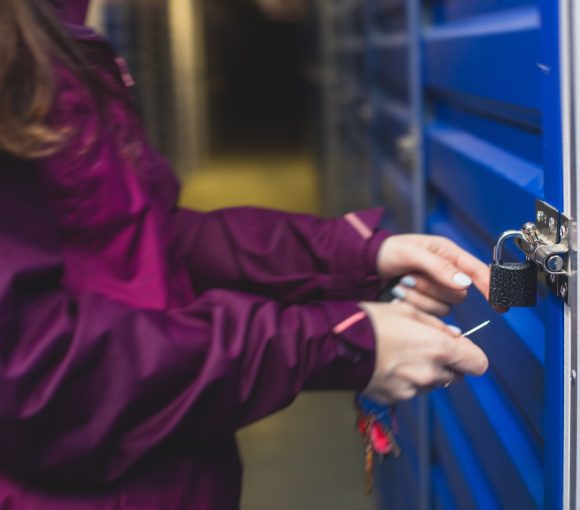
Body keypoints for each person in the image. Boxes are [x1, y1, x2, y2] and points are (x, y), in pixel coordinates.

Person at [0, 0, 492, 508]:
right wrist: (336, 342)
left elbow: (147, 240)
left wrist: (360, 254)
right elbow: (38, 376)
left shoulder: (53, 31)